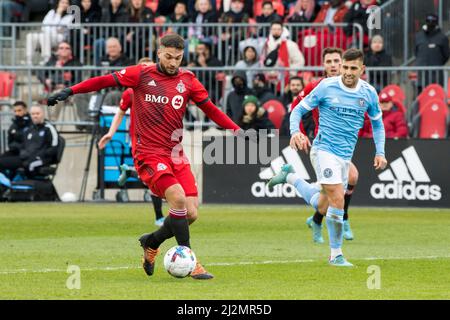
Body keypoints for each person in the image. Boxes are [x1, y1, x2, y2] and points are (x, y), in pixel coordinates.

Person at [47, 33, 243, 279]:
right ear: (159, 52)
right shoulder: (141, 74)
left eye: (178, 58)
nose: (173, 63)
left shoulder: (188, 80)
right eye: (169, 57)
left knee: (190, 213)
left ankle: (151, 241)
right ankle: (190, 261)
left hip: (175, 154)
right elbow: (103, 81)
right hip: (148, 154)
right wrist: (70, 90)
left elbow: (211, 109)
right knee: (178, 200)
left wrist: (237, 130)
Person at [268, 48, 387, 267]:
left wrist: (380, 152)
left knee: (323, 205)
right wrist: (296, 132)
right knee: (338, 199)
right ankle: (336, 255)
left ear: (362, 69)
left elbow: (378, 124)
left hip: (344, 155)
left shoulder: (369, 93)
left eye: (353, 68)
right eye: (345, 67)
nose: (348, 72)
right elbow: (297, 110)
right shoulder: (325, 86)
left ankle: (290, 178)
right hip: (323, 150)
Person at [287, 48, 359, 243]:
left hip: (343, 145)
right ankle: (342, 220)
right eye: (329, 61)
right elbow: (296, 108)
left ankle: (317, 219)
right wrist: (298, 131)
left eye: (337, 61)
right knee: (341, 186)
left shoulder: (353, 86)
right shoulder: (316, 86)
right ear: (324, 65)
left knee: (328, 196)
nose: (333, 65)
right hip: (324, 146)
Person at [97, 58, 165, 227]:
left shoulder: (163, 90)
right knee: (156, 177)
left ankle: (131, 173)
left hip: (162, 139)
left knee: (156, 177)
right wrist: (110, 133)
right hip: (141, 140)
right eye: (144, 68)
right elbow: (120, 113)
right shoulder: (130, 92)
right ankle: (159, 217)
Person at [0, 105, 60, 178]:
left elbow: (53, 149)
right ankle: (7, 186)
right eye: (33, 114)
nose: (35, 116)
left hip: (40, 159)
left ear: (43, 114)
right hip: (25, 158)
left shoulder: (49, 128)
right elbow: (23, 145)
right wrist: (23, 153)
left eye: (37, 113)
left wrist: (37, 156)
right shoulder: (30, 129)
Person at [38, 41, 83, 122]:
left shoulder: (76, 63)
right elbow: (40, 73)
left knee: (58, 93)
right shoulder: (52, 61)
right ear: (58, 51)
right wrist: (46, 80)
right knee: (26, 93)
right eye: (61, 48)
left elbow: (78, 81)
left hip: (66, 92)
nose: (64, 50)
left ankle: (52, 122)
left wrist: (65, 86)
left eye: (67, 48)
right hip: (49, 88)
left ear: (71, 51)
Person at [25, 0, 74, 65]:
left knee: (44, 36)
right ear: (58, 3)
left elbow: (59, 28)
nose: (64, 5)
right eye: (62, 2)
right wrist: (52, 28)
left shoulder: (70, 16)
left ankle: (46, 59)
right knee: (30, 36)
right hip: (46, 36)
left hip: (60, 39)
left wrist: (58, 14)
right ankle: (29, 60)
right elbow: (44, 26)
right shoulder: (51, 12)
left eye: (66, 3)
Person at [414, 14, 449, 93]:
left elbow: (446, 55)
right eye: (428, 21)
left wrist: (437, 62)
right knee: (421, 99)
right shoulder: (418, 36)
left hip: (436, 76)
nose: (430, 23)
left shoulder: (442, 38)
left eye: (433, 21)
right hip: (421, 76)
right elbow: (416, 52)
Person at [0, 101, 32, 179]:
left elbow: (29, 144)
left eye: (19, 110)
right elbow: (10, 143)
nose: (17, 113)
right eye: (15, 111)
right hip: (14, 152)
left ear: (25, 110)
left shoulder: (31, 124)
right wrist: (16, 146)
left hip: (26, 156)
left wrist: (16, 145)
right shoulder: (13, 125)